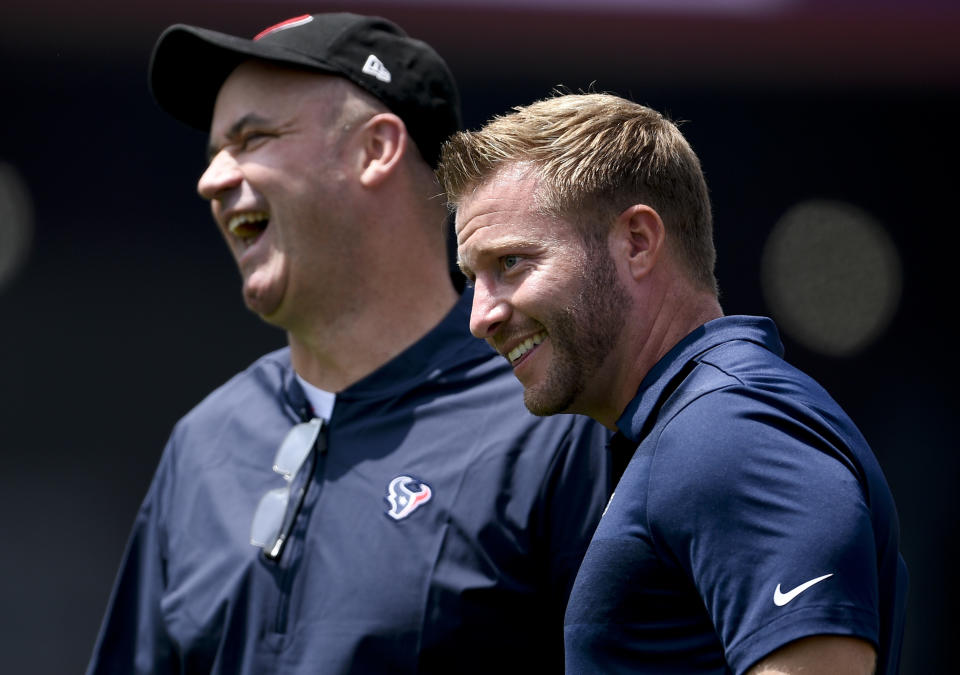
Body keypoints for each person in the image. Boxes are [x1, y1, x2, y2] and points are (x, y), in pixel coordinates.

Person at [86, 15, 612, 674]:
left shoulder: (554, 422)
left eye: (252, 139)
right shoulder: (205, 444)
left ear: (376, 150)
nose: (212, 179)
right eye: (214, 151)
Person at [437, 92, 908, 675]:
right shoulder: (690, 429)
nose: (480, 317)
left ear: (637, 241)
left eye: (510, 262)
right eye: (471, 277)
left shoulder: (731, 433)